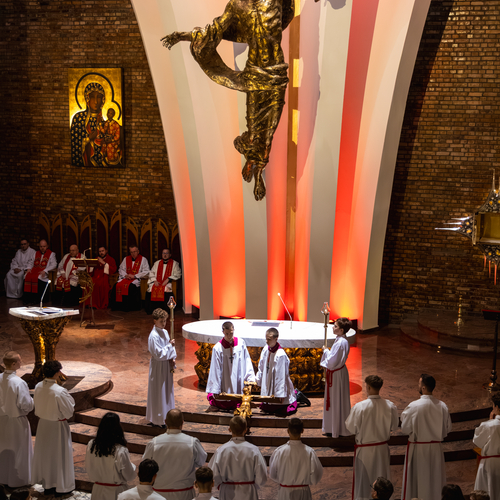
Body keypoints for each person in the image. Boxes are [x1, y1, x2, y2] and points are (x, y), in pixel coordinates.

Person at [345, 375, 399, 500]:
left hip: (365, 451)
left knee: (364, 483)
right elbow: (394, 426)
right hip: (382, 450)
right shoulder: (390, 406)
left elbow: (350, 428)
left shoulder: (360, 407)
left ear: (368, 387)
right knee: (382, 482)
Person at [400, 373, 452, 500]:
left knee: (418, 482)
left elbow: (405, 428)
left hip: (419, 449)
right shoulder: (442, 406)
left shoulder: (414, 406)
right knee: (434, 480)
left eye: (419, 384)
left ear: (423, 387)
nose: (418, 386)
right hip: (436, 450)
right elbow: (448, 429)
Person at [31, 360, 75, 497]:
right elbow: (69, 412)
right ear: (57, 373)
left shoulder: (38, 386)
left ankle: (48, 485)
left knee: (46, 455)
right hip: (57, 427)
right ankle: (61, 486)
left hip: (43, 425)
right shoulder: (59, 391)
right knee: (59, 455)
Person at [142, 409, 207, 500]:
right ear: (182, 422)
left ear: (165, 422)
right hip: (184, 494)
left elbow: (146, 466)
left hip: (159, 494)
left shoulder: (154, 443)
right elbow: (201, 462)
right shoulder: (192, 442)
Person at [208, 416, 267, 500]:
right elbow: (261, 475)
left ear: (229, 429)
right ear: (245, 430)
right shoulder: (254, 450)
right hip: (248, 492)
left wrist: (221, 486)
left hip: (227, 491)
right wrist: (253, 485)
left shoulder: (221, 450)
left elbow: (213, 473)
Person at [0, 351, 34, 488]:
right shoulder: (19, 382)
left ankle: (3, 478)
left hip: (2, 420)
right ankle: (19, 481)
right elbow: (26, 405)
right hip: (17, 421)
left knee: (4, 449)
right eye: (19, 360)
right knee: (19, 451)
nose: (21, 362)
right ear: (14, 364)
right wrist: (32, 402)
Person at [85, 412, 136, 500]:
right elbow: (129, 476)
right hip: (116, 492)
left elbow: (89, 466)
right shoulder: (120, 450)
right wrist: (133, 466)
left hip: (98, 490)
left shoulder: (91, 445)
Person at [269, 417, 323, 499]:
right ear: (302, 431)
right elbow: (316, 475)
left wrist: (285, 480)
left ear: (288, 431)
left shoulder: (279, 452)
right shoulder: (310, 452)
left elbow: (273, 474)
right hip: (303, 492)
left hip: (285, 492)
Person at [206, 321, 256, 410]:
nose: (229, 336)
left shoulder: (240, 343)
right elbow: (215, 369)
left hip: (238, 376)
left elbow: (246, 360)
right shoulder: (218, 348)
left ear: (234, 330)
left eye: (231, 333)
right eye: (227, 334)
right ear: (223, 332)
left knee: (238, 395)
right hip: (225, 377)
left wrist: (249, 377)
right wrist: (215, 388)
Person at [321, 317, 353, 437]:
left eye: (335, 326)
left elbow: (332, 362)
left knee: (335, 400)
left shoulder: (340, 343)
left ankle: (335, 429)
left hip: (336, 374)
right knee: (338, 400)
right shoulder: (341, 340)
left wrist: (325, 351)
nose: (333, 328)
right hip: (339, 372)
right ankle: (335, 427)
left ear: (341, 330)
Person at [255, 327, 297, 416]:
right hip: (268, 379)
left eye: (269, 339)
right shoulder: (266, 349)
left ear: (276, 339)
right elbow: (261, 364)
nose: (267, 341)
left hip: (276, 383)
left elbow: (281, 376)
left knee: (279, 407)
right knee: (266, 406)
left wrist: (280, 394)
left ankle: (297, 396)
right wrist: (258, 378)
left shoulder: (280, 355)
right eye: (266, 339)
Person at [146, 308, 177, 426]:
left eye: (165, 321)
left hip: (166, 365)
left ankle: (167, 417)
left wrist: (172, 358)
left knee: (167, 392)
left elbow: (170, 348)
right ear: (155, 321)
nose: (164, 323)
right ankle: (157, 419)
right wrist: (169, 346)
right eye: (161, 321)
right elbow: (159, 354)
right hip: (158, 367)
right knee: (159, 392)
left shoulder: (164, 332)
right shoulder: (153, 336)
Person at [71, 82, 106, 167]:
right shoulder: (79, 118)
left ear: (102, 100)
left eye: (99, 97)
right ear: (87, 99)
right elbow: (74, 143)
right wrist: (88, 139)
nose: (96, 101)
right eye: (92, 97)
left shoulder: (104, 123)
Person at [473, 392, 500, 499]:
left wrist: (490, 421)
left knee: (488, 492)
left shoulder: (488, 425)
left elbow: (478, 442)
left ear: (496, 407)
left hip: (490, 464)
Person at [110, 246, 150, 312]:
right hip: (126, 278)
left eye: (134, 252)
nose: (133, 254)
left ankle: (128, 308)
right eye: (131, 252)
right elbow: (121, 269)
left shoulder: (143, 259)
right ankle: (117, 306)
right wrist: (126, 275)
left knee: (131, 287)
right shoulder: (126, 259)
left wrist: (134, 276)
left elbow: (146, 271)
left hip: (135, 279)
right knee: (116, 286)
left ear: (138, 251)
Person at [145, 249, 182, 315]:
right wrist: (154, 280)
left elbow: (178, 273)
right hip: (157, 282)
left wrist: (168, 279)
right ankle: (152, 310)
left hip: (168, 283)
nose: (165, 255)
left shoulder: (175, 264)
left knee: (166, 289)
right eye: (163, 253)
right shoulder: (157, 263)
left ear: (170, 255)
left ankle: (166, 310)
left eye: (166, 253)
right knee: (151, 289)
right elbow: (151, 273)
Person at [23, 239, 57, 305]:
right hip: (34, 271)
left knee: (38, 277)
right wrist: (29, 268)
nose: (42, 248)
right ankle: (28, 299)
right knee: (26, 276)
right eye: (41, 246)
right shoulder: (35, 253)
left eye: (44, 246)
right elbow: (30, 262)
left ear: (47, 246)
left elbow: (54, 264)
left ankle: (36, 299)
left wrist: (45, 270)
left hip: (44, 272)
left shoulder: (51, 254)